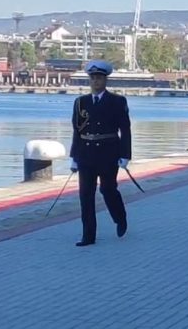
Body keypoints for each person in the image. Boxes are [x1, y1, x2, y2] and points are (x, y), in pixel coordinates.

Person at [69, 60, 132, 247]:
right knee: (85, 194)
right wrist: (74, 157)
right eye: (93, 78)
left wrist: (125, 155)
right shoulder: (81, 102)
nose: (96, 81)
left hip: (108, 153)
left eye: (99, 78)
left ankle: (120, 217)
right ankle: (88, 236)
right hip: (86, 153)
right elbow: (77, 131)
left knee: (108, 189)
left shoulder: (117, 101)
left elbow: (125, 130)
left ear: (105, 80)